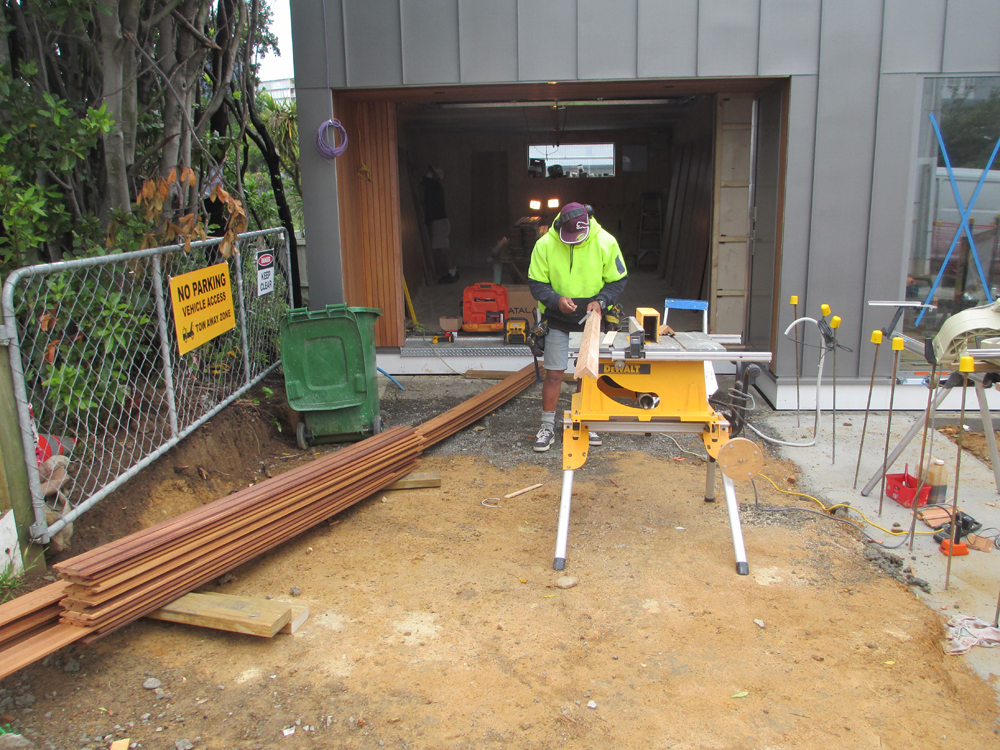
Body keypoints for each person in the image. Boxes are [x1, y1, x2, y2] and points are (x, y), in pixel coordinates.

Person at [527, 202, 628, 452]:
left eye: (577, 239)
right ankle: (547, 426)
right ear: (559, 226)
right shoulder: (545, 244)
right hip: (557, 315)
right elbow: (536, 283)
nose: (572, 242)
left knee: (587, 372)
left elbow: (618, 280)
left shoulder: (605, 241)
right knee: (554, 372)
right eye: (568, 239)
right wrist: (555, 300)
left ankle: (585, 420)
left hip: (592, 318)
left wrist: (601, 301)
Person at [420, 166, 459, 284]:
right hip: (441, 222)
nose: (430, 174)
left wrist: (415, 172)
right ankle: (452, 272)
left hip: (440, 223)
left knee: (444, 250)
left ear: (437, 176)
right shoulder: (435, 187)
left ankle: (452, 273)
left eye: (433, 173)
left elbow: (424, 181)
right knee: (444, 249)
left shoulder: (435, 185)